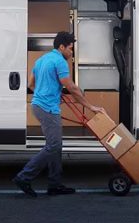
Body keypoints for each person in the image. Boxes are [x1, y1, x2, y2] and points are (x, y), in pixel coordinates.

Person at [14, 31, 105, 197]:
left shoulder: (41, 60)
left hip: (39, 105)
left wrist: (48, 92)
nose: (71, 52)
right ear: (62, 47)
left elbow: (31, 84)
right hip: (48, 109)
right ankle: (24, 177)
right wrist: (91, 107)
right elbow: (71, 88)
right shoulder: (60, 62)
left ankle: (54, 185)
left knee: (55, 146)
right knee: (53, 146)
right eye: (70, 48)